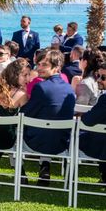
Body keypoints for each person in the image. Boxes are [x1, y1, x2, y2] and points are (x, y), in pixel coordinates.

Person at [21, 49, 76, 185]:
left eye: (44, 65)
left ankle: (20, 172)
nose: (39, 68)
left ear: (56, 68)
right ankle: (44, 166)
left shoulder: (41, 87)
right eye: (39, 64)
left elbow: (27, 113)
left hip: (38, 142)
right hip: (62, 142)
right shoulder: (69, 89)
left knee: (14, 131)